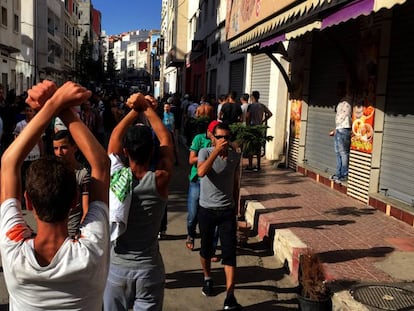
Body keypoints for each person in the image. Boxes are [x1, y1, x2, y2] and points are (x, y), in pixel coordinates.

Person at [0, 80, 110, 310]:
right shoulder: (91, 251)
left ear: (28, 201)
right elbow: (100, 163)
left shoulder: (13, 250)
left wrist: (54, 104)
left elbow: (9, 163)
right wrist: (58, 105)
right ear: (74, 201)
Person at [103, 92, 173, 311]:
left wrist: (136, 109)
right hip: (149, 269)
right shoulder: (160, 179)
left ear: (126, 152)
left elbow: (114, 137)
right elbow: (166, 140)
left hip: (117, 269)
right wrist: (147, 109)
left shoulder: (116, 177)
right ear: (152, 151)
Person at [197, 122, 242, 310]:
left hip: (226, 211)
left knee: (229, 253)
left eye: (227, 137)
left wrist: (236, 207)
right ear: (212, 137)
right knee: (207, 248)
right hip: (207, 208)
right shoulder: (205, 153)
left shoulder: (235, 157)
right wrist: (216, 151)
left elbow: (235, 183)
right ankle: (207, 278)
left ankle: (230, 295)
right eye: (220, 137)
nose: (224, 140)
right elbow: (201, 172)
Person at [186, 120, 220, 262]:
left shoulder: (219, 143)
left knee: (215, 219)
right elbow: (191, 159)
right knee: (193, 213)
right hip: (197, 181)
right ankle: (191, 234)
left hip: (213, 183)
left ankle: (211, 249)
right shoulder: (199, 139)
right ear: (209, 131)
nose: (216, 137)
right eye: (214, 133)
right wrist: (207, 156)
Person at [53, 129, 91, 237]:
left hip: (72, 233)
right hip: (52, 232)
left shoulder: (83, 174)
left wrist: (81, 231)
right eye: (56, 148)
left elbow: (86, 209)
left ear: (75, 147)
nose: (59, 153)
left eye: (63, 148)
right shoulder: (51, 171)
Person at [329, 81, 352, 183]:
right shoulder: (341, 102)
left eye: (339, 89)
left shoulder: (347, 102)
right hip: (339, 129)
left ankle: (343, 174)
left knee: (343, 153)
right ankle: (338, 174)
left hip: (344, 129)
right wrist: (335, 129)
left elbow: (342, 117)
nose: (337, 91)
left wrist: (338, 127)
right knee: (338, 153)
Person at [245, 90, 273, 171]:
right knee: (258, 147)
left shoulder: (250, 106)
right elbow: (270, 114)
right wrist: (263, 121)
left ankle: (250, 165)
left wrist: (247, 127)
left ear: (252, 97)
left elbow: (247, 117)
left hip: (252, 128)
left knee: (250, 147)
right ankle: (258, 165)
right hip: (259, 128)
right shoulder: (262, 106)